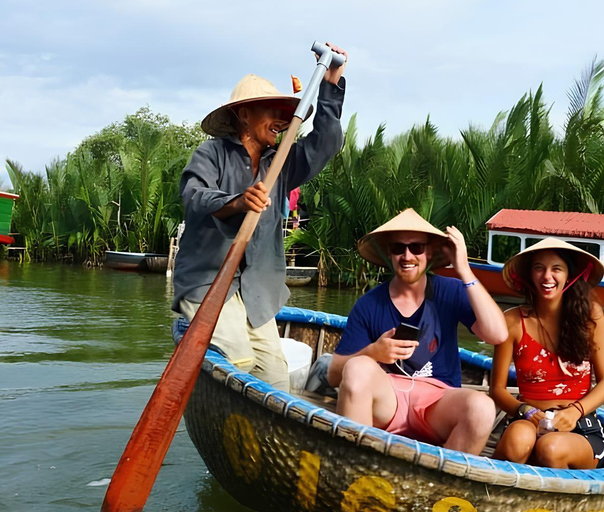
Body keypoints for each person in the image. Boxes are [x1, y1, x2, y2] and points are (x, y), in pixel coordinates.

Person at [172, 43, 348, 392]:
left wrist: (330, 85)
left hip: (258, 291)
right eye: (272, 111)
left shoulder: (280, 162)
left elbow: (327, 141)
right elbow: (194, 196)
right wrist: (238, 203)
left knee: (276, 382)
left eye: (285, 113)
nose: (281, 121)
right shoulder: (212, 154)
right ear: (245, 116)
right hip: (209, 283)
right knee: (238, 363)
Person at [327, 209, 508, 455]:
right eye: (398, 248)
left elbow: (497, 334)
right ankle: (358, 465)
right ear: (388, 254)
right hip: (388, 400)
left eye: (416, 247)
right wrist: (373, 352)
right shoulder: (369, 304)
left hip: (438, 402)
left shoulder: (450, 291)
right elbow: (334, 375)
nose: (407, 255)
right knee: (358, 367)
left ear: (429, 252)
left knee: (482, 408)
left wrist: (464, 269)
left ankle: (442, 485)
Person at [490, 238, 604, 469]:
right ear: (529, 275)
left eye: (556, 268)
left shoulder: (590, 316)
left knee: (551, 448)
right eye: (539, 268)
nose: (547, 276)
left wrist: (575, 412)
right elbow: (497, 389)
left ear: (569, 275)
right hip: (528, 418)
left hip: (579, 425)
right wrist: (525, 410)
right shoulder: (512, 321)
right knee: (518, 441)